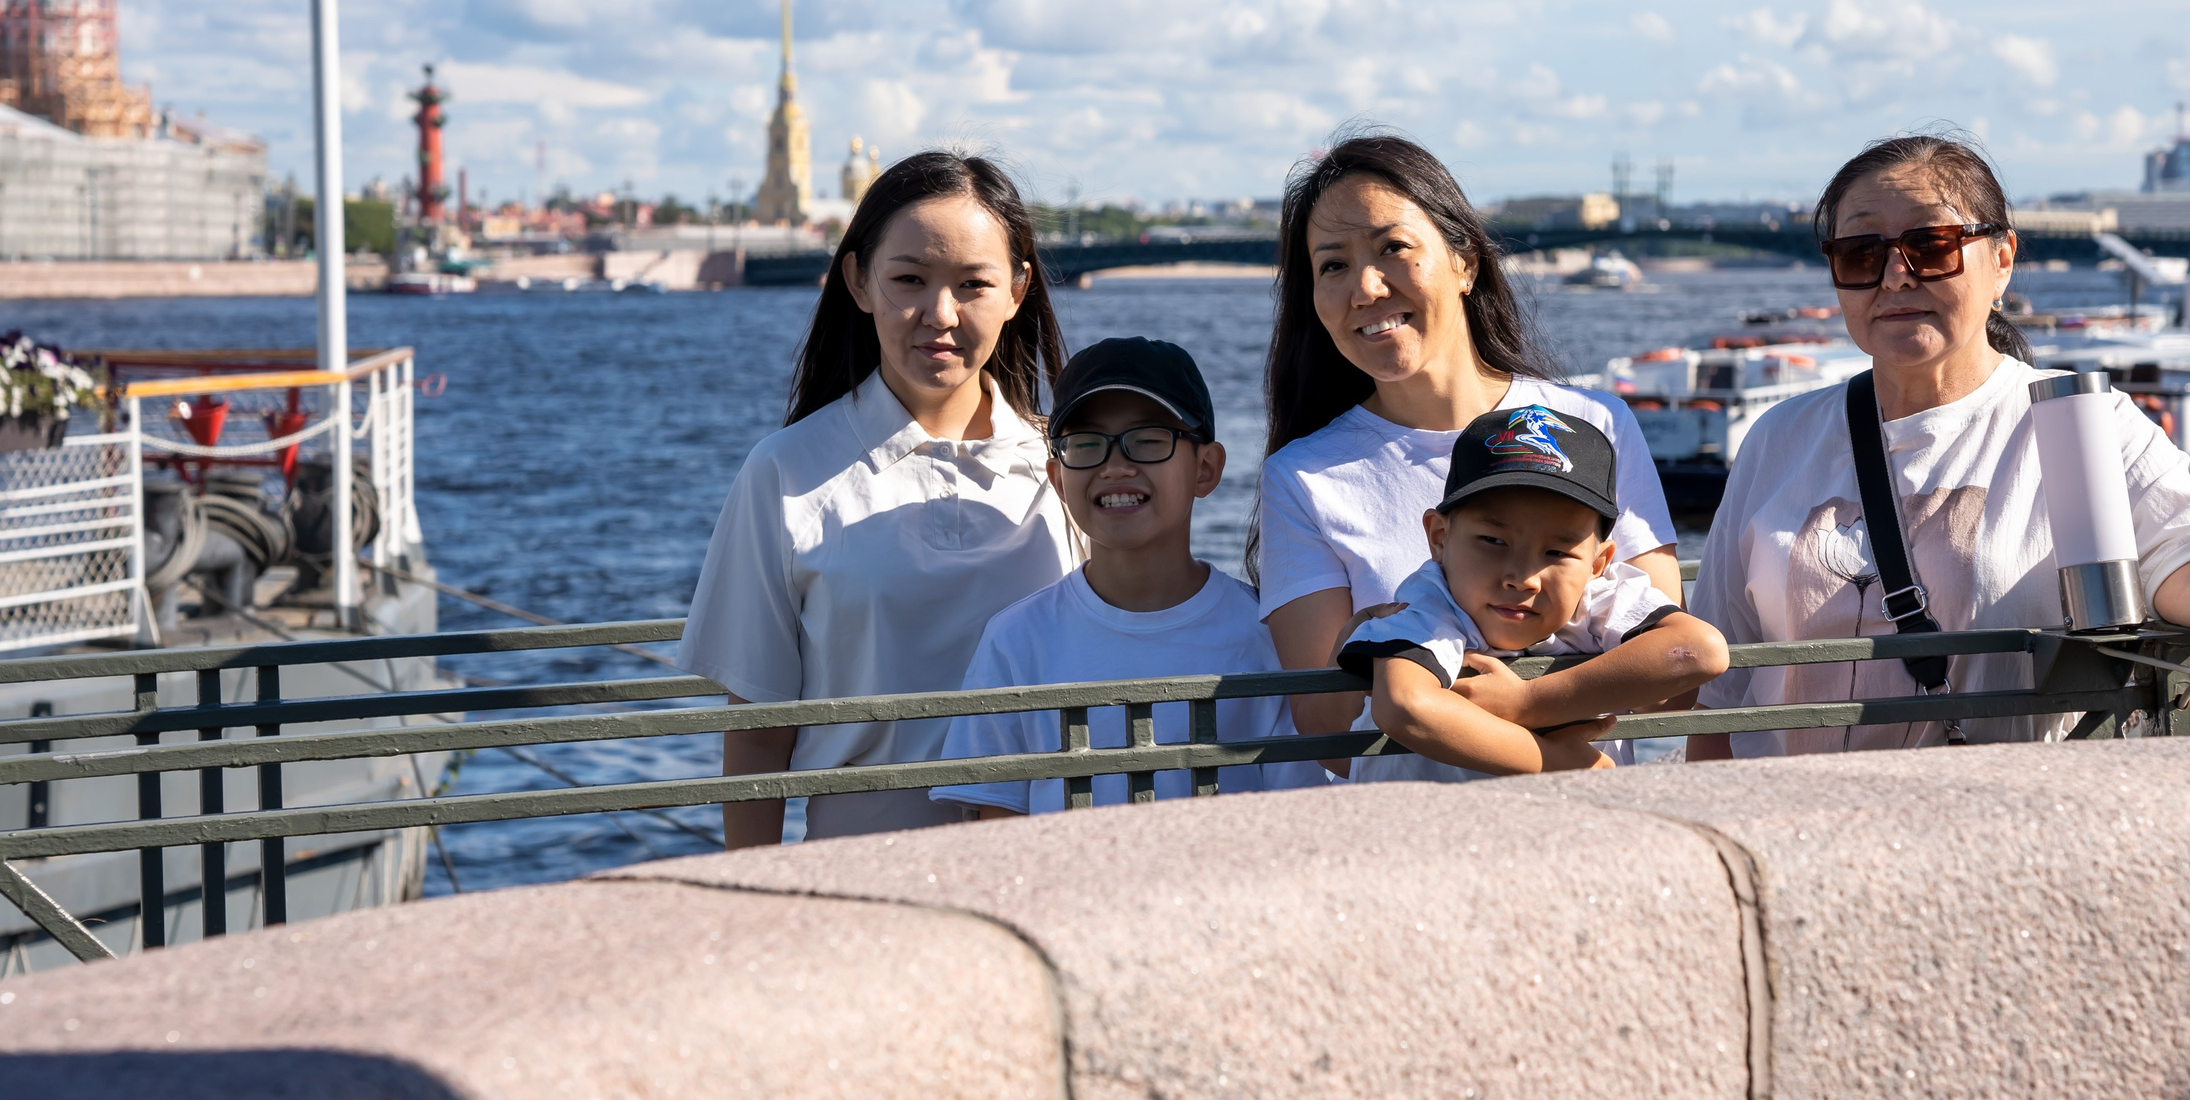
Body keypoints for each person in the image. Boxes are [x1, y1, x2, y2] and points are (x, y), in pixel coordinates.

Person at [1692, 132, 2190, 758]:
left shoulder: (2073, 422)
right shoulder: (1778, 439)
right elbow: (1718, 686)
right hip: (1790, 830)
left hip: (1990, 826)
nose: (1896, 273)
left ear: (2003, 258)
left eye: (1932, 245)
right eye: (1863, 254)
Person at [683, 150, 1075, 845]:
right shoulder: (786, 471)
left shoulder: (1071, 466)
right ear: (859, 281)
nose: (939, 313)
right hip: (860, 865)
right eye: (910, 279)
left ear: (1018, 290)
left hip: (1044, 861)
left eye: (972, 284)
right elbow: (756, 735)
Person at [1254, 135, 1686, 760]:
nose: (1366, 288)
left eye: (1392, 248)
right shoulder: (1301, 475)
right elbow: (1325, 736)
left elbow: (1670, 679)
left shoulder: (1595, 424)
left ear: (1466, 262)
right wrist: (1363, 646)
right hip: (1422, 828)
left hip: (1588, 826)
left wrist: (1519, 705)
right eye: (1332, 265)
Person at [931, 338, 1322, 816]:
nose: (1115, 467)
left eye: (1149, 440)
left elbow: (1294, 817)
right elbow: (994, 829)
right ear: (1057, 478)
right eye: (1086, 444)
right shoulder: (1017, 640)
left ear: (1206, 468)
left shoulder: (1264, 635)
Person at [1337, 404, 1729, 779]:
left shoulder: (1597, 597)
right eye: (1493, 540)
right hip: (1428, 831)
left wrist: (1527, 701)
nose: (1522, 577)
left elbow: (1702, 650)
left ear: (1597, 564)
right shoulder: (1429, 604)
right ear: (1440, 537)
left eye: (1557, 552)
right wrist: (1554, 762)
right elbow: (1406, 705)